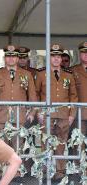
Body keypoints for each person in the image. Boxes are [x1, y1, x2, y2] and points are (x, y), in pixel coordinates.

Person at [35, 44, 78, 181]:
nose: (56, 59)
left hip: (63, 115)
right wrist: (38, 112)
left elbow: (73, 96)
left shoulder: (68, 75)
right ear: (49, 58)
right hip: (46, 115)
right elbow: (35, 94)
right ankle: (45, 171)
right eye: (53, 56)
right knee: (45, 144)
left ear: (61, 58)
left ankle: (60, 172)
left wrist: (72, 114)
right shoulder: (41, 74)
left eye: (58, 56)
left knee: (61, 144)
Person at [0, 45, 37, 131]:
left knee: (18, 144)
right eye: (8, 56)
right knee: (1, 144)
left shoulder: (27, 74)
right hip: (1, 117)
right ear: (4, 58)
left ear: (18, 58)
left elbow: (32, 96)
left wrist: (32, 113)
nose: (11, 58)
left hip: (20, 117)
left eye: (14, 56)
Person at [71, 41, 87, 142]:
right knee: (78, 144)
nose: (86, 55)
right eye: (84, 52)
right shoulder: (72, 71)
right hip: (79, 115)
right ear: (79, 54)